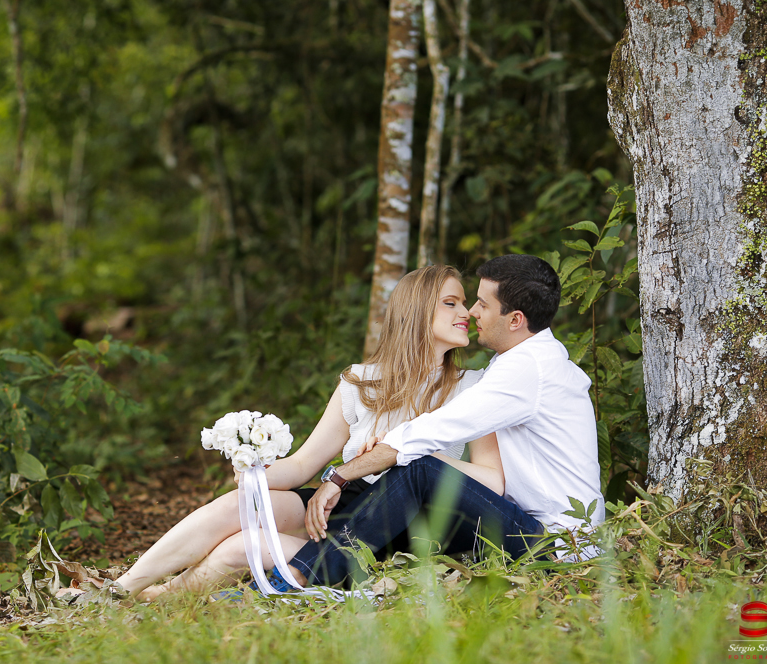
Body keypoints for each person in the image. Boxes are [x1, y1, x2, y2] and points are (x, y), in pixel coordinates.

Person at [86, 264, 507, 601]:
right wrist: (254, 470)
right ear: (416, 311)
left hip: (403, 523)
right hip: (341, 503)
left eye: (464, 304)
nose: (466, 313)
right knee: (246, 500)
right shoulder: (361, 382)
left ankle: (162, 598)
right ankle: (123, 590)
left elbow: (493, 481)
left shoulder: (472, 387)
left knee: (240, 548)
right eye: (452, 303)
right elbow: (305, 463)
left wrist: (413, 457)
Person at [261, 253, 605, 588]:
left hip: (559, 549)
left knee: (420, 467)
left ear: (515, 320)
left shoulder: (529, 369)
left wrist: (341, 475)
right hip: (528, 528)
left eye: (482, 304)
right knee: (418, 474)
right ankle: (321, 574)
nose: (472, 312)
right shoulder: (520, 363)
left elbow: (433, 431)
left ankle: (297, 578)